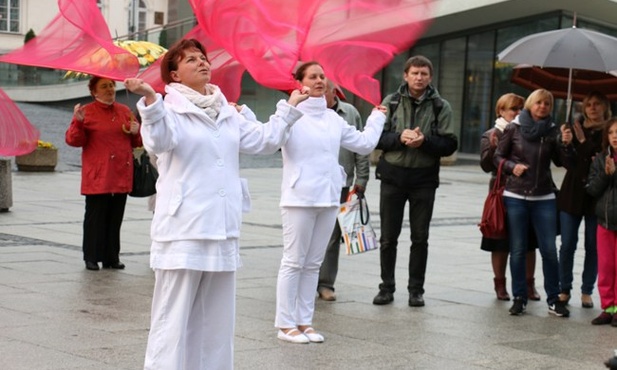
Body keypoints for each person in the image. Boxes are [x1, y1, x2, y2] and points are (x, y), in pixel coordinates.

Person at [124, 38, 308, 369]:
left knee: (216, 320)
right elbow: (159, 141)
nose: (202, 63)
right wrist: (151, 101)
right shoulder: (168, 110)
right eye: (191, 60)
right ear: (175, 75)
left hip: (222, 227)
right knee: (173, 316)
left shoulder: (228, 111)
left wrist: (289, 107)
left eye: (203, 57)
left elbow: (264, 141)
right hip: (184, 228)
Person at [275, 61, 386, 344]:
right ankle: (285, 324)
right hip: (299, 197)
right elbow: (271, 139)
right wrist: (288, 108)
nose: (320, 81)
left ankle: (304, 321)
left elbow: (363, 144)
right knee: (293, 261)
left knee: (313, 263)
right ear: (300, 82)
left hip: (328, 196)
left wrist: (377, 117)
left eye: (323, 76)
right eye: (312, 76)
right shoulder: (289, 113)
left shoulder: (333, 118)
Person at [372, 55, 458, 307]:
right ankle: (386, 287)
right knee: (388, 237)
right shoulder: (392, 101)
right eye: (415, 73)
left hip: (423, 179)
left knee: (420, 237)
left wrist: (425, 142)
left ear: (430, 77)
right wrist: (400, 138)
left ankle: (416, 290)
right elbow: (376, 137)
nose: (419, 78)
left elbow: (451, 144)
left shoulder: (441, 106)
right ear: (406, 76)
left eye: (424, 74)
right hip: (393, 177)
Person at [494, 88, 574, 317]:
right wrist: (512, 167)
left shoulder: (553, 131)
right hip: (516, 195)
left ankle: (554, 299)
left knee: (549, 250)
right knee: (518, 249)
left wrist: (566, 144)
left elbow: (564, 163)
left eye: (547, 104)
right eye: (538, 103)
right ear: (530, 104)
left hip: (544, 197)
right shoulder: (514, 127)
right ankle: (519, 297)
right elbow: (498, 156)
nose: (542, 107)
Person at [65, 76, 142, 271]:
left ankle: (111, 257)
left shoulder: (124, 111)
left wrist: (136, 132)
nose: (109, 90)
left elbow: (136, 143)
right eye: (104, 87)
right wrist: (78, 122)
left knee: (115, 218)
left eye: (111, 86)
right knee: (95, 218)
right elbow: (74, 141)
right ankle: (91, 256)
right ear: (94, 92)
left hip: (120, 173)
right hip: (98, 174)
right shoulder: (87, 112)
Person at [480, 93, 541, 301]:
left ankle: (529, 283)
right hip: (501, 192)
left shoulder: (530, 132)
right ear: (501, 111)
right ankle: (500, 284)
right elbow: (486, 165)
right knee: (499, 240)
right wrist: (494, 147)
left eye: (520, 108)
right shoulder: (491, 134)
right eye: (512, 109)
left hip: (526, 191)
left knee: (529, 242)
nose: (517, 112)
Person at [316, 79, 370, 302]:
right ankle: (303, 279)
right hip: (313, 184)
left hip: (342, 183)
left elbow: (361, 148)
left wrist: (362, 179)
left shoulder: (349, 113)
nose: (319, 96)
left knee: (332, 236)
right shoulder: (307, 112)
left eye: (323, 91)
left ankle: (325, 283)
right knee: (307, 234)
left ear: (334, 91)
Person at [557, 91, 609, 309]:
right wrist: (566, 143)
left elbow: (600, 157)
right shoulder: (574, 128)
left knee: (593, 246)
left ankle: (587, 289)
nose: (593, 108)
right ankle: (564, 287)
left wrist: (584, 144)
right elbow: (569, 163)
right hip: (572, 194)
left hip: (596, 195)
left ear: (605, 107)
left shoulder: (610, 131)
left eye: (597, 104)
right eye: (589, 104)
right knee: (568, 243)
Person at [587, 118, 617, 325]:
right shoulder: (600, 159)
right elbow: (592, 189)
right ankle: (609, 307)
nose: (615, 136)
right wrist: (606, 175)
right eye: (611, 132)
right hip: (605, 221)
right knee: (606, 267)